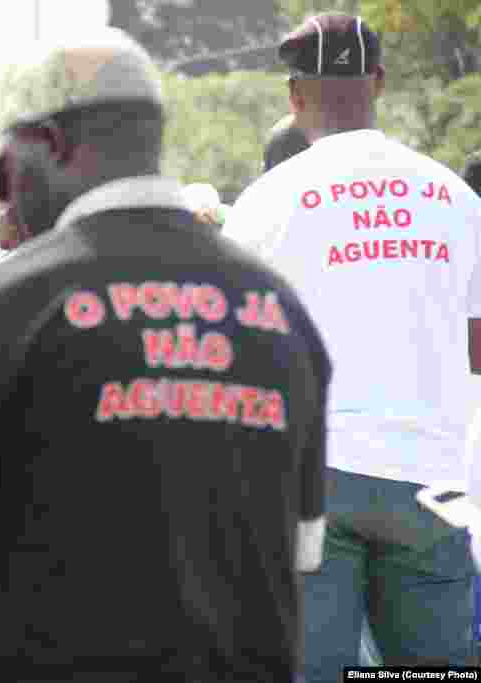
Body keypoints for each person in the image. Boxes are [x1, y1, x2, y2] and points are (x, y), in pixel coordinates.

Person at [0, 27, 331, 682]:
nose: (11, 201)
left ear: (50, 146)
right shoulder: (283, 316)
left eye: (11, 172)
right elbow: (300, 545)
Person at [222, 12, 481, 677]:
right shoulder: (455, 198)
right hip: (431, 474)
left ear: (294, 95)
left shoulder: (265, 202)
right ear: (380, 82)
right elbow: (478, 349)